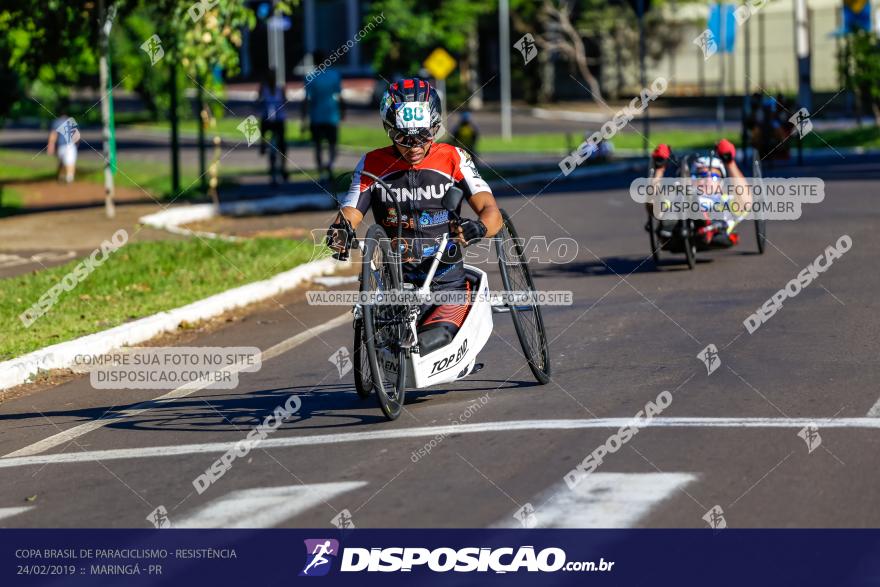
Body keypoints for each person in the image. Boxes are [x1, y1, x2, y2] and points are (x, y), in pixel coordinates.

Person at [326, 77, 502, 353]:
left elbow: (492, 212)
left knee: (429, 343)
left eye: (423, 135)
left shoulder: (454, 157)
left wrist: (478, 229)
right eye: (403, 137)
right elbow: (351, 211)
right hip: (397, 286)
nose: (414, 146)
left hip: (446, 282)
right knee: (392, 348)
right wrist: (340, 230)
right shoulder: (372, 163)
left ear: (435, 127)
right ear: (389, 130)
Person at [648, 139, 751, 247]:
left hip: (715, 229)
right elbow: (653, 206)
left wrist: (730, 162)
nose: (707, 180)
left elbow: (746, 202)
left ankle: (702, 221)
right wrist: (659, 169)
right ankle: (672, 224)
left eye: (714, 177)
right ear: (692, 179)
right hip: (678, 228)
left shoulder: (725, 199)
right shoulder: (680, 193)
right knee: (676, 198)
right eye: (702, 176)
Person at [302, 50, 344, 182]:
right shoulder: (334, 75)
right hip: (332, 115)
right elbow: (340, 96)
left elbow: (307, 100)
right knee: (332, 144)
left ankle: (321, 170)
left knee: (318, 145)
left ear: (314, 61)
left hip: (316, 117)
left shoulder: (311, 76)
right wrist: (343, 111)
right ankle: (330, 165)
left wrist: (304, 118)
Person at [258, 68, 288, 182]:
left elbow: (285, 101)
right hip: (267, 119)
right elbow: (258, 101)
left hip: (279, 119)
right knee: (264, 134)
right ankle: (263, 145)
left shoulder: (280, 89)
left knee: (282, 144)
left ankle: (283, 167)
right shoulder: (263, 88)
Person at [47, 111, 80, 183]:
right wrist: (77, 144)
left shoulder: (56, 122)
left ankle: (67, 178)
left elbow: (53, 135)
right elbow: (76, 135)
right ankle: (68, 177)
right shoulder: (72, 121)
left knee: (65, 162)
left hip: (62, 145)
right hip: (70, 145)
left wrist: (51, 145)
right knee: (69, 162)